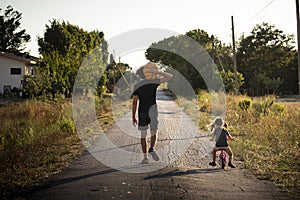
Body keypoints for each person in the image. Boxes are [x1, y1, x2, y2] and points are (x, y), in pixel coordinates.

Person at [132, 62, 173, 164]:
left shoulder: (137, 85)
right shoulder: (154, 82)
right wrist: (157, 72)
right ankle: (152, 148)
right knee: (154, 131)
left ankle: (145, 158)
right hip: (153, 111)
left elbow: (134, 103)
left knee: (143, 135)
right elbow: (170, 76)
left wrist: (133, 117)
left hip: (142, 112)